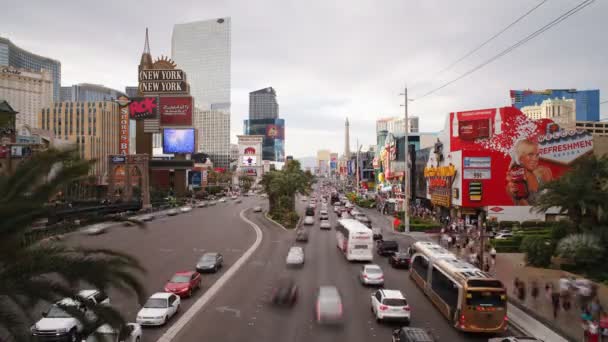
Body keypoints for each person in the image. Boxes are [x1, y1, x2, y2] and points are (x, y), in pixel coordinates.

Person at [506, 139, 553, 205]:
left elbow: (555, 196)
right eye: (530, 155)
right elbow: (525, 209)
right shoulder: (514, 185)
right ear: (520, 158)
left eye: (537, 155)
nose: (535, 159)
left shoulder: (544, 172)